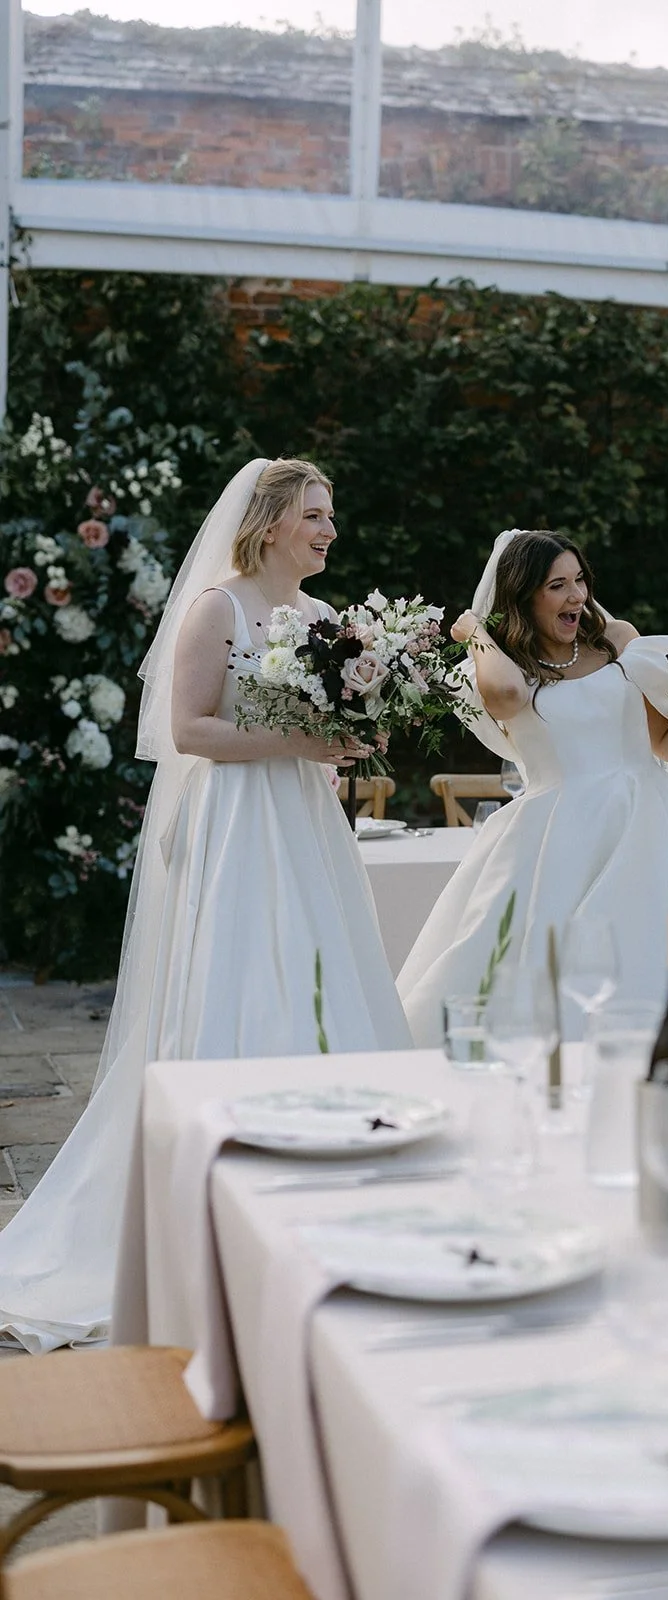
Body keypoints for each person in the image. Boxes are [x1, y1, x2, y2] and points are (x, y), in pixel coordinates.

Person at [0, 459, 410, 1353]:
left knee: (320, 962)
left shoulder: (323, 620)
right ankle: (223, 1193)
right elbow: (190, 731)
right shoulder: (217, 609)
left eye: (330, 516)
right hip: (237, 819)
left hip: (304, 817)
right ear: (268, 523)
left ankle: (332, 1180)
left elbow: (342, 720)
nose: (328, 531)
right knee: (240, 969)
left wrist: (359, 731)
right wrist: (302, 736)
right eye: (314, 515)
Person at [399, 527, 668, 1054]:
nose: (576, 597)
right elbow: (504, 697)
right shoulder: (504, 665)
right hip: (555, 841)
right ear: (525, 596)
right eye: (557, 586)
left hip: (649, 827)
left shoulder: (617, 642)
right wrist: (476, 630)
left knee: (665, 959)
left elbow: (665, 743)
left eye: (580, 581)